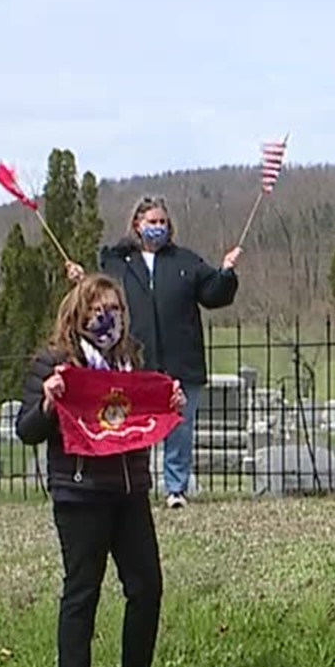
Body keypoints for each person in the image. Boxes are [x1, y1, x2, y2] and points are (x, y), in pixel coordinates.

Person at [15, 273, 185, 667]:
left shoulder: (130, 361)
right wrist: (50, 403)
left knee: (146, 586)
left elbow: (144, 413)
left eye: (113, 309)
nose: (105, 317)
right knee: (82, 593)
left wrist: (170, 404)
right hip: (80, 493)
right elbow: (27, 429)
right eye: (96, 308)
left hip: (129, 491)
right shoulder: (55, 363)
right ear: (78, 313)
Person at [65, 194, 240, 509]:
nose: (158, 227)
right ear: (137, 225)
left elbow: (214, 294)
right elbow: (97, 296)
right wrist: (82, 279)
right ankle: (134, 483)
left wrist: (226, 273)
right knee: (134, 423)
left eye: (162, 222)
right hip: (136, 360)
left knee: (180, 426)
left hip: (182, 359)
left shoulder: (186, 262)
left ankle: (176, 488)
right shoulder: (117, 263)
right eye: (152, 222)